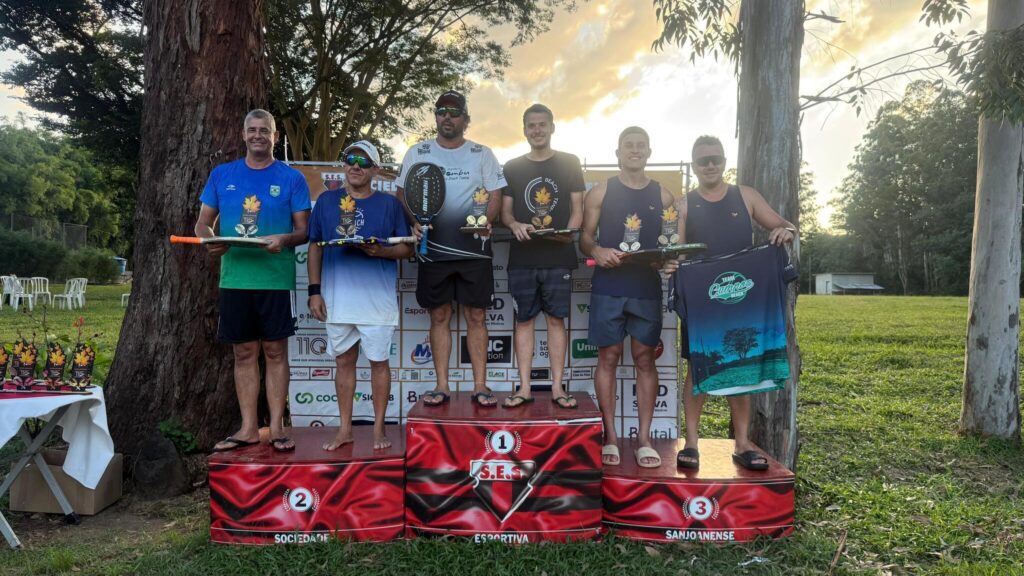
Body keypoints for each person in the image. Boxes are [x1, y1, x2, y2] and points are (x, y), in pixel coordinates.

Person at [675, 134, 796, 471]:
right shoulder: (684, 205)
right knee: (697, 366)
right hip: (703, 300)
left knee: (740, 365)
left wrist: (786, 231)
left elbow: (785, 225)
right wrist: (672, 265)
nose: (710, 165)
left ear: (725, 161)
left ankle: (742, 443)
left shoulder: (746, 195)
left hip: (743, 295)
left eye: (715, 158)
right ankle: (691, 442)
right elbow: (678, 253)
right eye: (703, 160)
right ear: (694, 166)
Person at [196, 109, 311, 453]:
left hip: (276, 279)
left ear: (275, 136)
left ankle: (276, 427)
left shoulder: (292, 178)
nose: (258, 135)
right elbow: (202, 223)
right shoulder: (222, 175)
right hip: (235, 279)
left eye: (265, 130)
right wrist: (210, 240)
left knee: (275, 352)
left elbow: (304, 231)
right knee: (243, 352)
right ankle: (248, 428)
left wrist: (285, 239)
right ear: (243, 134)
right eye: (252, 130)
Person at [397, 90, 506, 407]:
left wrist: (487, 219)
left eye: (454, 111)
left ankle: (480, 386)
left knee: (476, 316)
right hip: (433, 248)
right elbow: (403, 193)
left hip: (474, 249)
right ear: (435, 116)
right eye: (442, 110)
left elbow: (496, 194)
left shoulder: (482, 153)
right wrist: (414, 221)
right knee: (439, 315)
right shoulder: (418, 152)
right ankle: (442, 385)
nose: (447, 116)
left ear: (465, 119)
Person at [580, 126, 677, 468]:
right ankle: (609, 436)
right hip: (608, 286)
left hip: (645, 287)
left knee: (645, 360)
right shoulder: (601, 191)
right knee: (608, 358)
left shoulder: (664, 196)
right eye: (628, 146)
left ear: (649, 152)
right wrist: (597, 250)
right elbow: (585, 238)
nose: (635, 150)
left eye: (640, 145)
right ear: (618, 152)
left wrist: (670, 258)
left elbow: (670, 243)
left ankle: (644, 439)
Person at [307, 141, 412, 450]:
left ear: (375, 170)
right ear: (343, 165)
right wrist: (314, 291)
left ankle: (379, 429)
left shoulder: (390, 205)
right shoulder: (326, 201)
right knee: (344, 362)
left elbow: (407, 248)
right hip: (337, 299)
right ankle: (345, 430)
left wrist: (381, 251)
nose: (355, 166)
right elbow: (314, 245)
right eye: (350, 159)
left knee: (379, 363)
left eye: (364, 162)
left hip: (377, 302)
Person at [500, 104, 584, 409]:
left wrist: (570, 233)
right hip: (522, 257)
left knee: (556, 321)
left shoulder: (570, 162)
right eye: (531, 125)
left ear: (552, 128)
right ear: (524, 130)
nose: (537, 130)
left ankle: (558, 388)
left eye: (542, 124)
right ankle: (524, 388)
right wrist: (514, 225)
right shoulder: (512, 167)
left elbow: (578, 209)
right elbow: (505, 213)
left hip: (559, 256)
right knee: (523, 321)